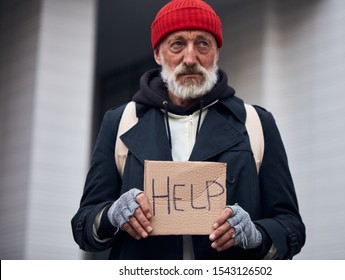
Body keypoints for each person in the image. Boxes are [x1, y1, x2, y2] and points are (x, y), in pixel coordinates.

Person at [71, 0, 305, 260]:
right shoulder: (121, 121)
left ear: (216, 53)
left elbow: (291, 226)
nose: (190, 58)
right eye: (177, 44)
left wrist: (257, 235)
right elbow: (83, 226)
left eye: (203, 43)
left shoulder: (256, 123)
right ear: (158, 54)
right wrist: (112, 215)